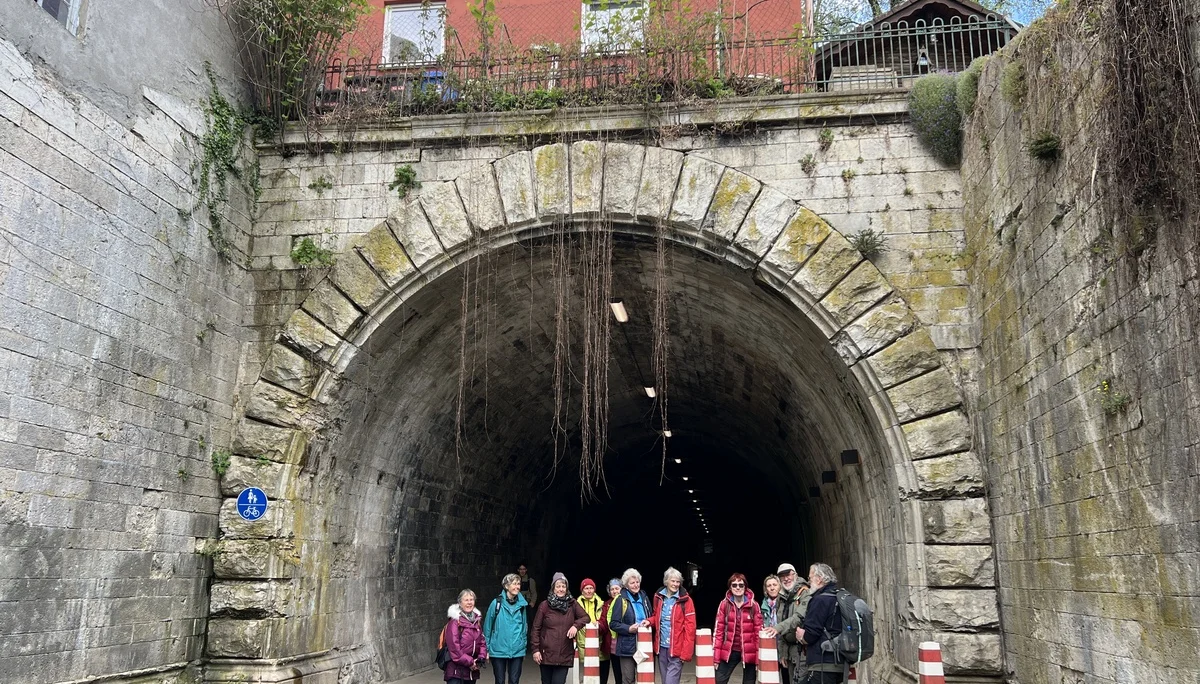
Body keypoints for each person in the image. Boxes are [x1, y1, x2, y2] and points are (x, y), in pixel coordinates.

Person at [532, 572, 589, 684]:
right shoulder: (544, 605)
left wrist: (575, 626)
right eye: (558, 586)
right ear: (553, 588)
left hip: (564, 654)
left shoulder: (572, 604)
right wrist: (535, 650)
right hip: (546, 654)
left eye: (563, 586)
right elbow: (536, 629)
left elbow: (586, 617)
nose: (561, 589)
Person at [762, 563, 811, 684]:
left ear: (796, 575)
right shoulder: (782, 597)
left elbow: (799, 617)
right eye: (782, 576)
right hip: (790, 654)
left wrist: (777, 628)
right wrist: (783, 653)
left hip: (803, 652)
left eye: (789, 574)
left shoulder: (805, 593)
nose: (786, 578)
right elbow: (781, 621)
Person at [647, 567, 696, 684]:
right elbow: (656, 616)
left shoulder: (686, 600)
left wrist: (686, 654)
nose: (675, 584)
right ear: (666, 581)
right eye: (673, 581)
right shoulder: (658, 597)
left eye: (678, 582)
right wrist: (649, 621)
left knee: (670, 682)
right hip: (661, 647)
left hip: (677, 649)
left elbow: (690, 628)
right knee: (665, 681)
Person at [713, 573, 764, 684]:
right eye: (734, 585)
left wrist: (758, 659)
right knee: (719, 680)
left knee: (749, 682)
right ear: (730, 587)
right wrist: (716, 657)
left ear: (745, 587)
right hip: (730, 650)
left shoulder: (754, 605)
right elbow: (719, 631)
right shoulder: (724, 605)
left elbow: (758, 633)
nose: (737, 588)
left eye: (741, 585)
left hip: (749, 650)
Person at [798, 564, 842, 684]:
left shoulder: (820, 600)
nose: (809, 581)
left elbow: (811, 634)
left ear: (819, 579)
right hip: (839, 661)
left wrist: (802, 636)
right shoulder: (838, 596)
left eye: (810, 578)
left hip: (822, 663)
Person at [482, 574, 530, 684]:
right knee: (500, 681)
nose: (517, 587)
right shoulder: (496, 603)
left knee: (514, 681)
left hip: (517, 649)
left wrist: (523, 646)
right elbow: (488, 628)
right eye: (514, 584)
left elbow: (524, 628)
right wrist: (486, 649)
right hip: (498, 649)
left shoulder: (522, 605)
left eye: (519, 584)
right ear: (506, 586)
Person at [608, 568, 652, 684]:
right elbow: (613, 624)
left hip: (645, 644)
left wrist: (649, 621)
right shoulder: (621, 599)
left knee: (645, 679)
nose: (635, 585)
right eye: (632, 583)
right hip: (626, 646)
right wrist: (628, 628)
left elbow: (652, 616)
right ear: (626, 585)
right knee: (628, 679)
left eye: (637, 582)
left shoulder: (644, 597)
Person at [445, 589, 489, 684]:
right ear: (460, 603)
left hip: (472, 672)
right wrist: (470, 662)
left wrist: (480, 658)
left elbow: (482, 642)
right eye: (466, 600)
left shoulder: (476, 621)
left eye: (471, 599)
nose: (469, 602)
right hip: (456, 672)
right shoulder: (455, 621)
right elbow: (454, 649)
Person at [576, 579, 611, 684]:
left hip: (600, 643)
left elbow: (605, 621)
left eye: (591, 588)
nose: (589, 591)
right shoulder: (575, 605)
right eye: (586, 588)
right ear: (582, 590)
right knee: (586, 676)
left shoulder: (601, 604)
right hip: (582, 643)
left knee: (603, 675)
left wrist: (599, 625)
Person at [598, 579, 623, 684]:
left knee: (624, 673)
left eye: (617, 588)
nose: (614, 591)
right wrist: (598, 626)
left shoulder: (626, 601)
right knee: (616, 670)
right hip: (611, 644)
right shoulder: (607, 604)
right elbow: (603, 620)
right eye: (612, 589)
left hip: (624, 643)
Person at [760, 574, 782, 657]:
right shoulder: (763, 606)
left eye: (775, 585)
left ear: (779, 586)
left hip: (783, 644)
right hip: (769, 644)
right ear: (766, 589)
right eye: (769, 586)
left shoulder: (785, 602)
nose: (772, 588)